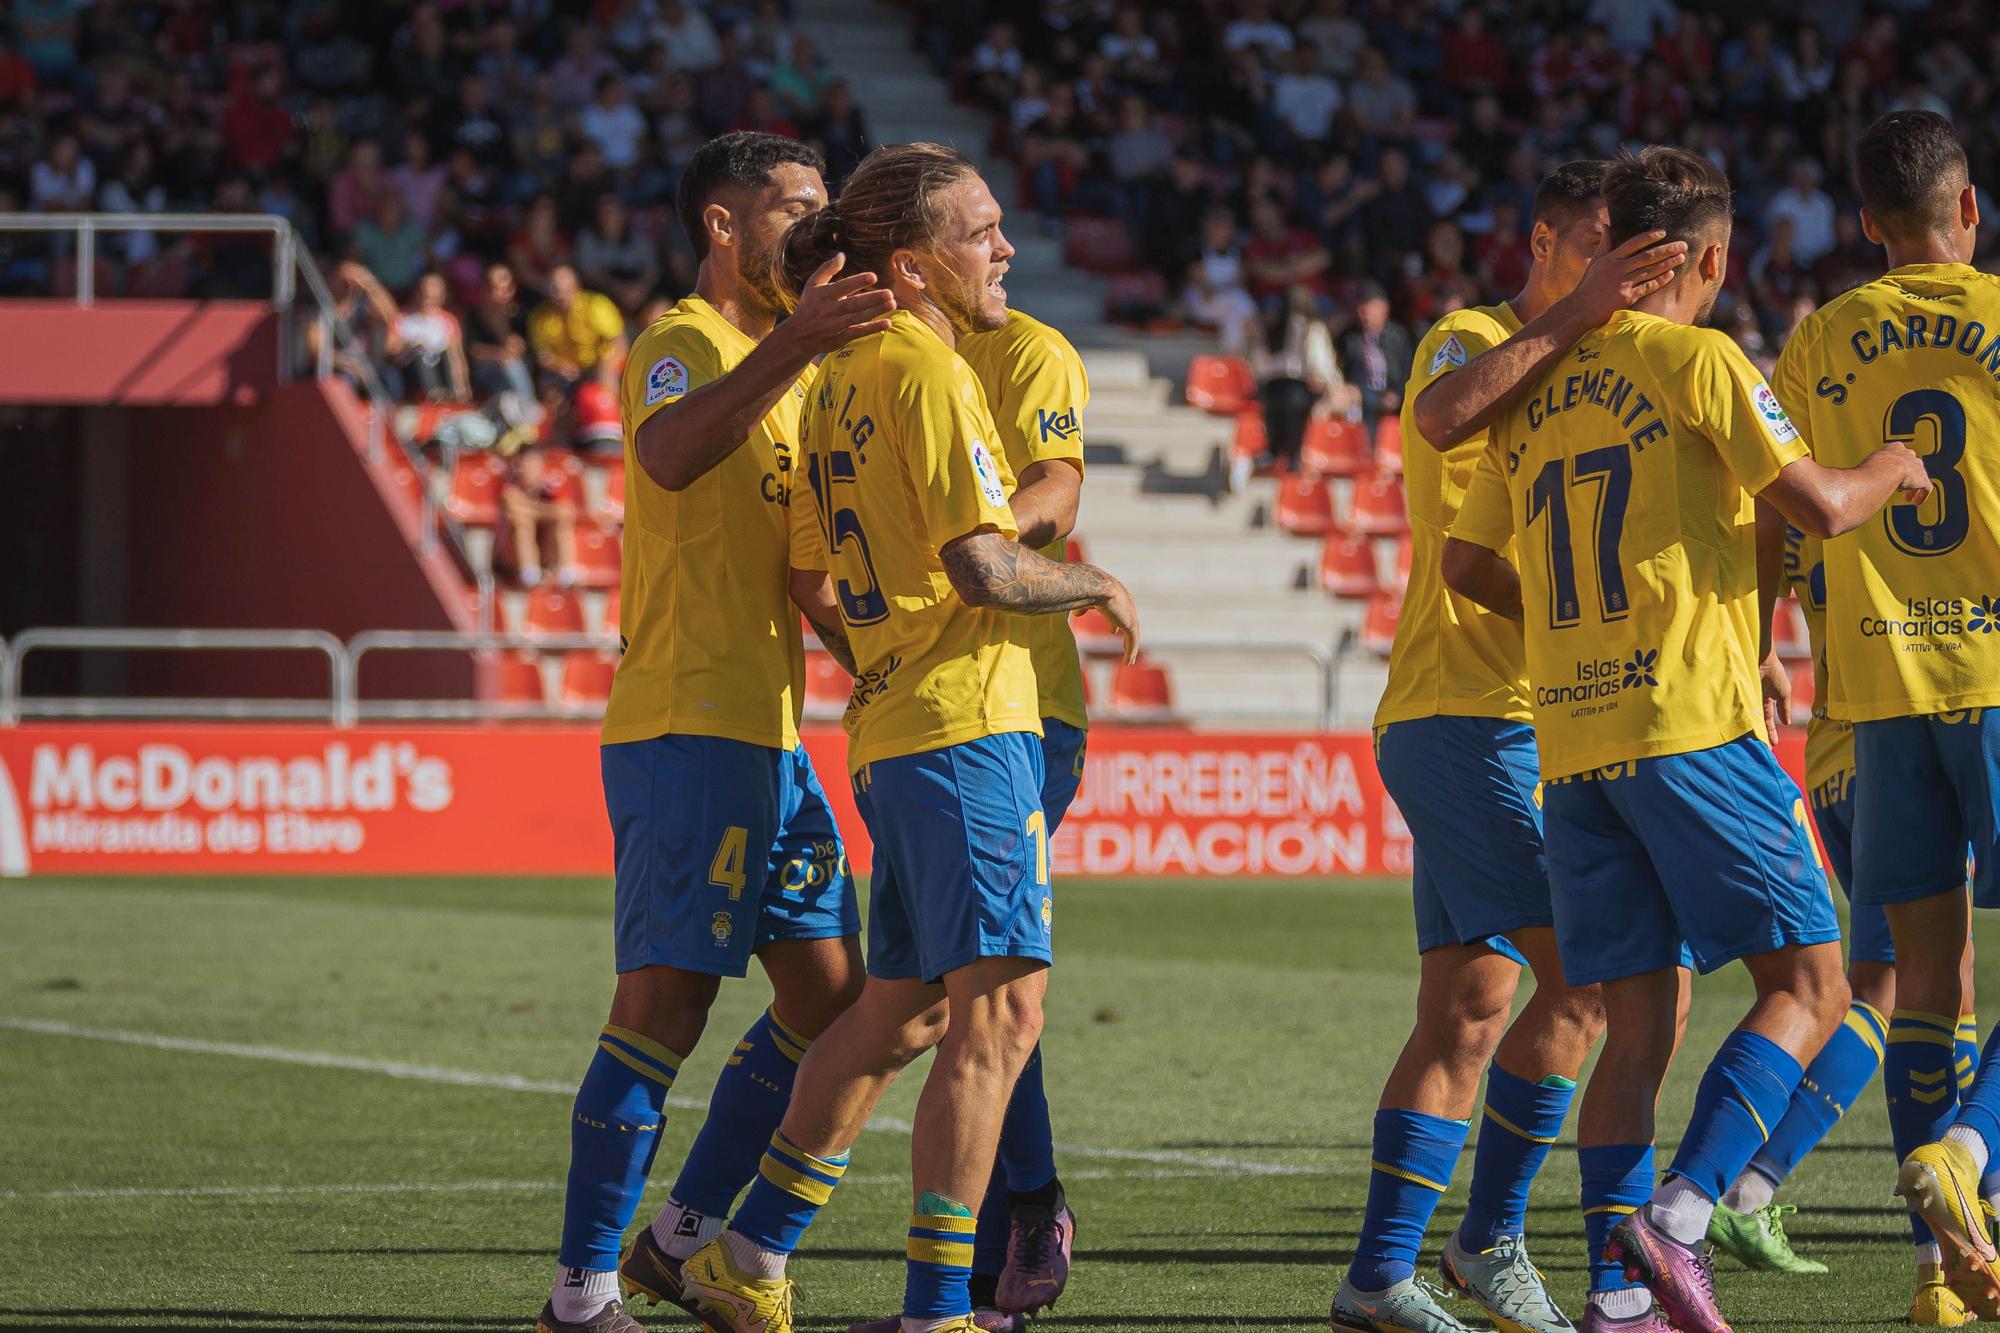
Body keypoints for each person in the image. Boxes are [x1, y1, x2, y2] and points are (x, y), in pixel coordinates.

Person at [1442, 146, 1932, 1333]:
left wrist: (1574, 628)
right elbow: (1815, 504)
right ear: (1708, 258)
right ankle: (1677, 1217)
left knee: (1637, 1027)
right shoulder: (1702, 360)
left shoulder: (1534, 386)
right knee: (1813, 982)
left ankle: (1620, 1300)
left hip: (1572, 741)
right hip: (1690, 726)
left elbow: (1464, 564)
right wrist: (1891, 465)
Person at [676, 142, 1139, 1333]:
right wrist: (1089, 585)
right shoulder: (927, 374)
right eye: (980, 229)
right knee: (999, 1019)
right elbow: (984, 565)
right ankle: (939, 1310)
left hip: (893, 724)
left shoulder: (838, 378)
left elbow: (823, 576)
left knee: (899, 1013)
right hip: (965, 725)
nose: (1005, 248)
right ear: (913, 262)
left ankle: (746, 1249)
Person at [534, 131, 895, 1333]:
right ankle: (579, 1294)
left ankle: (678, 1241)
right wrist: (797, 342)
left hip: (772, 737)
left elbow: (804, 577)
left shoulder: (779, 372)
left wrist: (889, 665)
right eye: (793, 207)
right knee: (663, 1004)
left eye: (823, 205)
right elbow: (671, 456)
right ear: (723, 226)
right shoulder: (681, 347)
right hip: (686, 721)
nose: (816, 225)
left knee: (834, 1000)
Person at [1337, 160, 1684, 1333]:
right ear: (1540, 240)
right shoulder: (1466, 338)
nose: (1610, 269)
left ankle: (1377, 1278)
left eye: (1630, 252)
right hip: (1465, 716)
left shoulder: (1600, 366)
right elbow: (1456, 465)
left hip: (1540, 722)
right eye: (1594, 242)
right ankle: (1493, 1244)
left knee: (1472, 1006)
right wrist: (1582, 316)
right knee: (1602, 978)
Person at [1769, 109, 2000, 1327]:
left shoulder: (1815, 342)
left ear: (1864, 225)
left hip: (1876, 695)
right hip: (1998, 678)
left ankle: (1934, 1281)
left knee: (1922, 984)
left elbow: (1782, 506)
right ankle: (1970, 1150)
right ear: (1967, 210)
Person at [838, 305, 1095, 1333]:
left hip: (1020, 702)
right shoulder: (869, 368)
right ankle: (765, 1245)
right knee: (941, 995)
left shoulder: (1021, 351)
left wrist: (971, 526)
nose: (1003, 251)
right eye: (979, 232)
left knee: (978, 990)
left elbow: (1059, 484)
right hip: (918, 708)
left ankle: (1015, 1221)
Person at [1702, 519, 1979, 1304]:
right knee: (1909, 986)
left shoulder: (1803, 496)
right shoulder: (1878, 489)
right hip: (1907, 741)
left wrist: (1760, 658)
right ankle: (1758, 1185)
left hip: (1834, 758)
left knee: (1915, 980)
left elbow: (1757, 566)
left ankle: (1949, 1239)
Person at [529, 265, 628, 391]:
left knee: (607, 380)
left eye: (565, 290)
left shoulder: (596, 305)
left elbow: (619, 343)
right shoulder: (539, 317)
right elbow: (542, 355)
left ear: (576, 286)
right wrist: (559, 366)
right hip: (565, 372)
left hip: (598, 365)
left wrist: (606, 365)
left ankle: (614, 408)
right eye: (555, 290)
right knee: (547, 385)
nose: (560, 296)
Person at [500, 444, 581, 588]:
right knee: (522, 523)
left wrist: (531, 509)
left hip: (543, 549)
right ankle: (529, 576)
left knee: (561, 524)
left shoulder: (548, 487)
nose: (529, 468)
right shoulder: (509, 484)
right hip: (508, 557)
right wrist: (545, 512)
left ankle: (565, 576)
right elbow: (512, 507)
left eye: (534, 463)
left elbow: (567, 512)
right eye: (526, 462)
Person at [1340, 284, 1411, 435]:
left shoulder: (1397, 336)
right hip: (1360, 394)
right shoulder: (1349, 337)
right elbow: (1341, 368)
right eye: (1360, 309)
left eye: (1368, 309)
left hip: (1391, 393)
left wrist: (1397, 393)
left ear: (1384, 308)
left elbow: (1407, 369)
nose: (1363, 314)